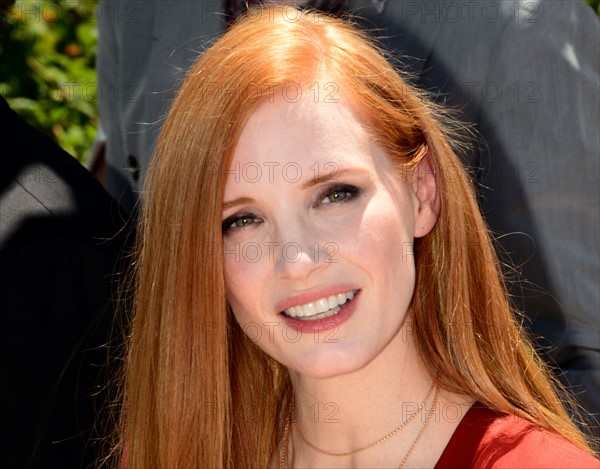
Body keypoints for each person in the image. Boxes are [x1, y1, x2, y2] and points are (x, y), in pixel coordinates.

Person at [112, 6, 598, 468]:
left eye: (335, 194)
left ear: (423, 192)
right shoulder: (167, 452)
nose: (297, 259)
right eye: (241, 220)